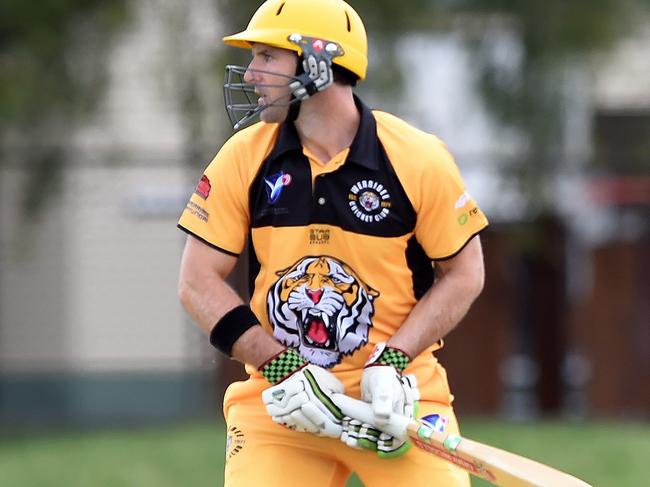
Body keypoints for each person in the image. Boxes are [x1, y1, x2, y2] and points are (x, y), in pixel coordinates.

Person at [177, 0, 488, 485]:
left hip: (399, 404)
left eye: (266, 57)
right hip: (284, 406)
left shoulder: (419, 158)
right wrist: (282, 366)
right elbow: (196, 282)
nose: (250, 75)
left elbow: (465, 273)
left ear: (318, 64)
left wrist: (393, 360)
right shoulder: (243, 156)